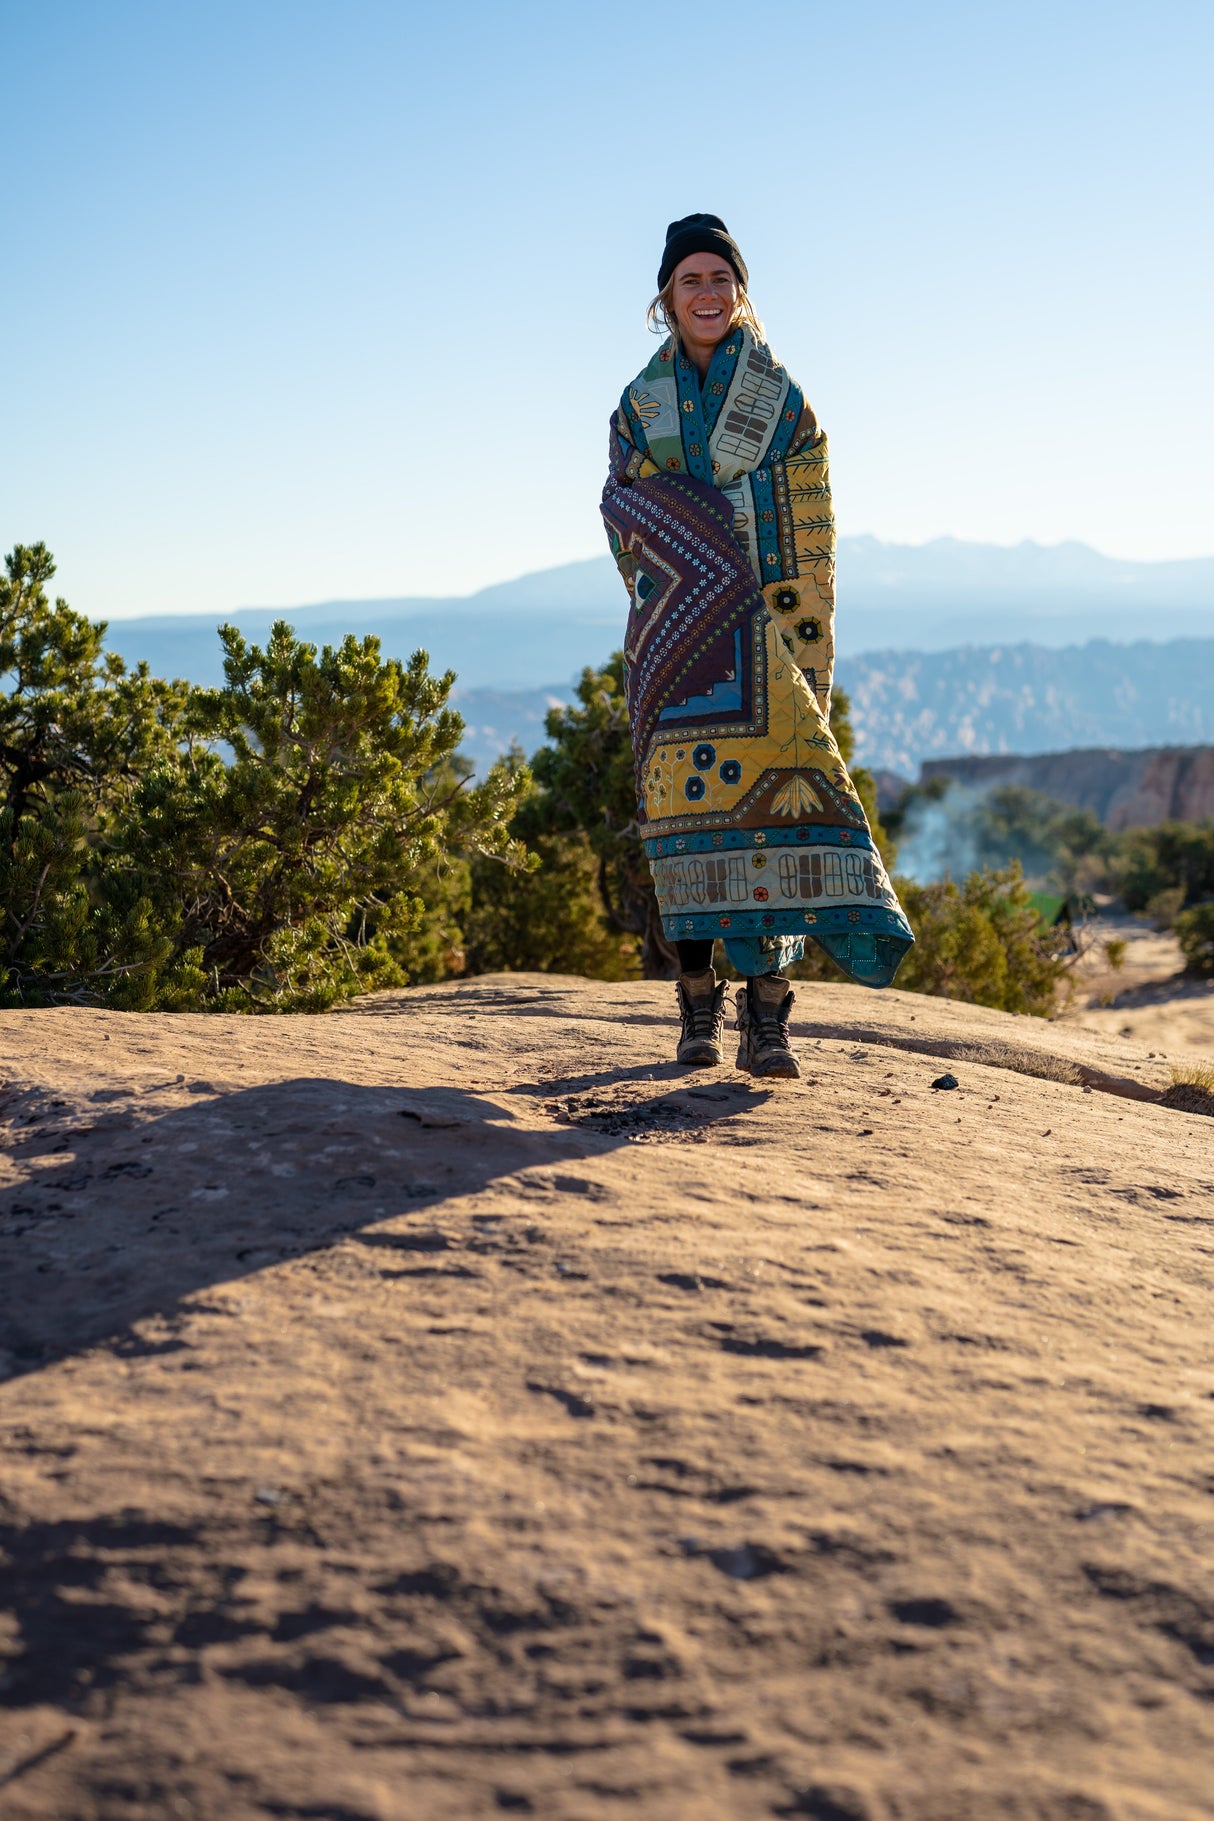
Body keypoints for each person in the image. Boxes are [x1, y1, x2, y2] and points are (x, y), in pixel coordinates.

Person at [601, 213, 913, 1080]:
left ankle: (767, 1019)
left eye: (720, 279)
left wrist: (711, 526)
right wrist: (700, 533)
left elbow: (806, 490)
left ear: (740, 292)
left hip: (771, 639)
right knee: (685, 813)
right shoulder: (638, 406)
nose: (707, 293)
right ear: (665, 297)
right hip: (676, 641)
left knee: (771, 818)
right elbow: (623, 508)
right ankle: (696, 1005)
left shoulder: (780, 401)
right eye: (690, 279)